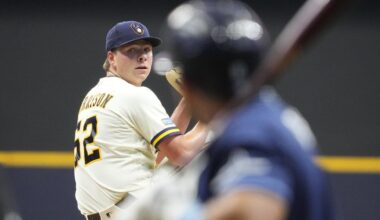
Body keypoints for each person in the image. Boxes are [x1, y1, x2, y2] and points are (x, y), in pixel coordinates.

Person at [126, 0, 335, 220]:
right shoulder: (263, 116)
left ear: (187, 84)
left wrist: (184, 215)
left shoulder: (252, 132)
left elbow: (256, 211)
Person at [73, 20, 208, 220]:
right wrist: (216, 116)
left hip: (110, 213)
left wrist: (189, 100)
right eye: (131, 50)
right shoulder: (134, 95)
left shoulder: (94, 95)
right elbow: (182, 153)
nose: (142, 56)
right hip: (132, 212)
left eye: (146, 49)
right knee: (213, 139)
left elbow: (157, 152)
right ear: (111, 58)